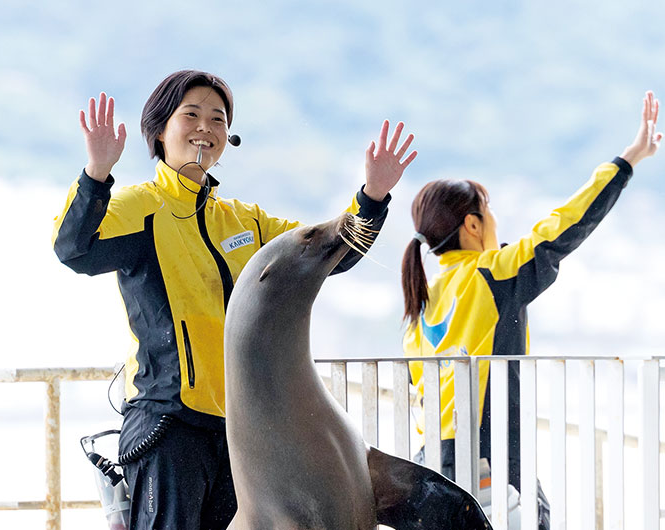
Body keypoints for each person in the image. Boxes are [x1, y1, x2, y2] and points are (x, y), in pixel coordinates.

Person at [53, 70, 417, 530]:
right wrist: (97, 173)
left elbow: (328, 253)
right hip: (167, 424)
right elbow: (74, 248)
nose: (205, 126)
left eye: (218, 118)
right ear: (160, 130)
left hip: (240, 435)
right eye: (191, 114)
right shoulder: (139, 207)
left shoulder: (246, 221)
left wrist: (373, 197)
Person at [401, 91, 663, 529]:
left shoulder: (422, 297)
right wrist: (629, 159)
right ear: (472, 224)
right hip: (491, 457)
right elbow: (562, 226)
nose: (496, 222)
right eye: (490, 212)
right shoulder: (491, 274)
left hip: (432, 463)